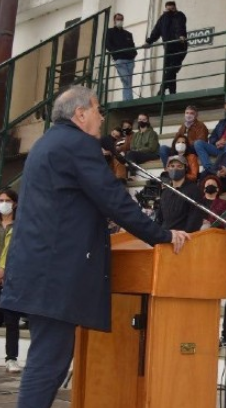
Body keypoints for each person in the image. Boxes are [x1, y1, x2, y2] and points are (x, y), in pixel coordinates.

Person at [0, 85, 188, 408]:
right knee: (48, 363)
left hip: (40, 268)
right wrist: (163, 235)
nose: (102, 117)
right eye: (98, 110)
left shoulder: (48, 143)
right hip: (55, 274)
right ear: (80, 114)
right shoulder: (77, 145)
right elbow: (114, 200)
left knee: (49, 359)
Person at [144, 1, 188, 96]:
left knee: (172, 69)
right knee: (169, 71)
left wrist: (181, 35)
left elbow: (180, 26)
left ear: (175, 7)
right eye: (168, 9)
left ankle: (162, 89)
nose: (170, 11)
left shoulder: (179, 15)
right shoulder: (163, 19)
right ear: (166, 9)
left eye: (172, 9)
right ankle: (172, 93)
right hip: (168, 48)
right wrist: (149, 41)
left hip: (179, 46)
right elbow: (156, 31)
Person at [0, 189, 21, 373]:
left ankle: (11, 358)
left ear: (14, 203)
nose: (4, 204)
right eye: (1, 200)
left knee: (12, 320)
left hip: (12, 279)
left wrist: (5, 269)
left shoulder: (20, 226)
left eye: (7, 200)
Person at [194, 100, 226, 172]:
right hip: (218, 149)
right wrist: (216, 142)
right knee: (198, 143)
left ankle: (220, 167)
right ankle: (208, 168)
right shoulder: (222, 122)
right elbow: (212, 137)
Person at [159, 155, 204, 232]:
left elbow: (195, 218)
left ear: (185, 169)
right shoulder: (165, 192)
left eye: (179, 166)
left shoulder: (194, 190)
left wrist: (184, 235)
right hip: (165, 237)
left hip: (184, 238)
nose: (175, 169)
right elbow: (160, 217)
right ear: (167, 169)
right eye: (172, 166)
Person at [105, 13, 137, 101]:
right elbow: (107, 44)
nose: (120, 21)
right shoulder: (110, 32)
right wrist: (116, 53)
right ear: (114, 20)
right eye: (118, 19)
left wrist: (133, 54)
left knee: (128, 81)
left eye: (121, 19)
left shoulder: (128, 34)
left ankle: (128, 100)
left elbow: (132, 46)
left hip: (130, 60)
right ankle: (128, 100)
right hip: (120, 60)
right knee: (126, 80)